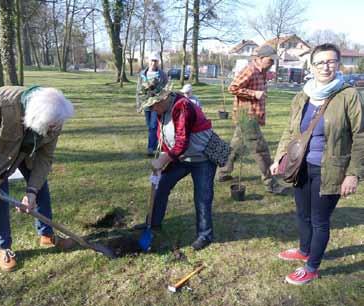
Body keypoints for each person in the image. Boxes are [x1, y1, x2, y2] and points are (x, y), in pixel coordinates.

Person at [270, 43, 364, 285]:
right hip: (300, 166)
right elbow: (291, 130)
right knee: (303, 213)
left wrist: (353, 174)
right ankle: (304, 249)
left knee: (320, 219)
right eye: (320, 62)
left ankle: (311, 267)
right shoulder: (303, 95)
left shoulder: (348, 95)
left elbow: (361, 136)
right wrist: (279, 156)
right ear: (311, 66)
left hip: (330, 169)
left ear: (338, 64)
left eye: (331, 61)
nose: (326, 66)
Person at [0, 85, 75, 272]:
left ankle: (46, 235)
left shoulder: (55, 114)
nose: (56, 129)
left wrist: (31, 192)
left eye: (57, 126)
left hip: (28, 153)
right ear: (35, 118)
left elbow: (45, 158)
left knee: (40, 187)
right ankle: (4, 247)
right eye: (51, 127)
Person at [139, 85, 217, 251]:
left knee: (202, 196)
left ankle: (205, 235)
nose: (152, 109)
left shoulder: (182, 106)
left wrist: (164, 160)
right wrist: (162, 159)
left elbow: (182, 141)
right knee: (162, 185)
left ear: (163, 99)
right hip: (181, 157)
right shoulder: (162, 110)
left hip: (202, 157)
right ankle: (153, 223)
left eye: (153, 105)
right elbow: (165, 137)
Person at [217, 45, 288, 194]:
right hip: (247, 118)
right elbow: (233, 88)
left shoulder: (262, 72)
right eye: (270, 60)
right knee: (261, 150)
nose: (272, 64)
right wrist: (254, 94)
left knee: (235, 147)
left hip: (251, 117)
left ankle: (223, 172)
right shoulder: (250, 70)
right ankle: (271, 184)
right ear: (260, 59)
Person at [136, 52, 168, 157]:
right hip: (146, 104)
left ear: (158, 62)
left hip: (157, 104)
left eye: (155, 61)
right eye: (152, 60)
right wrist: (138, 105)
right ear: (148, 61)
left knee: (154, 125)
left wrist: (161, 97)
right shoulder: (143, 74)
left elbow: (166, 89)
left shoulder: (162, 74)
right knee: (150, 126)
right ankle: (155, 146)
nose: (153, 63)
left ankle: (150, 148)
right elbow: (138, 90)